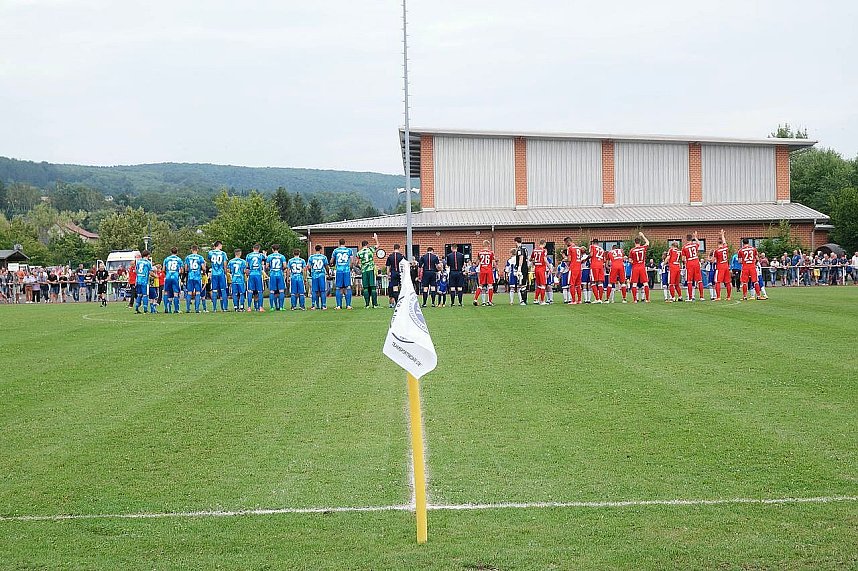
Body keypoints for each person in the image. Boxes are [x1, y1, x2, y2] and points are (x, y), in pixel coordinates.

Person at [357, 233, 380, 309]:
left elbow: (356, 262)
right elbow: (378, 245)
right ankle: (375, 304)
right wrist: (376, 238)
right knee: (373, 287)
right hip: (371, 269)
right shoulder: (370, 249)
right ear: (367, 244)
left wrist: (361, 266)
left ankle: (367, 305)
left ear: (362, 245)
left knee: (366, 288)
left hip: (364, 270)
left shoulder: (359, 253)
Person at [330, 238, 354, 310]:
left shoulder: (336, 250)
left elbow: (331, 261)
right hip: (346, 271)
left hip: (339, 271)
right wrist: (350, 268)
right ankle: (348, 305)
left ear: (339, 243)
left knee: (338, 287)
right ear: (345, 243)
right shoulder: (349, 250)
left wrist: (331, 264)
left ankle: (338, 306)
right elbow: (352, 261)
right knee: (348, 287)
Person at [207, 241, 229, 312]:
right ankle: (224, 308)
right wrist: (225, 272)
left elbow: (210, 260)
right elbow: (225, 264)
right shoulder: (223, 253)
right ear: (219, 245)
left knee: (214, 291)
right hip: (221, 273)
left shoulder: (210, 253)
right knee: (223, 290)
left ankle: (214, 308)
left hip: (214, 273)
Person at [628, 232, 650, 303]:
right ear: (640, 242)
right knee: (645, 283)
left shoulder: (632, 250)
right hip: (642, 266)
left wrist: (633, 262)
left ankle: (635, 300)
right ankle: (647, 299)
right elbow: (647, 242)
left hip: (635, 267)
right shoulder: (643, 248)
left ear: (634, 242)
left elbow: (630, 260)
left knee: (634, 284)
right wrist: (643, 235)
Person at [681, 232, 704, 302]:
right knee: (699, 280)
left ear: (686, 239)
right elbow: (698, 243)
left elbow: (683, 259)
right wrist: (696, 237)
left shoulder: (684, 247)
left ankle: (690, 298)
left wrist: (685, 263)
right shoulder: (694, 245)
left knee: (689, 281)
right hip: (696, 262)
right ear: (691, 239)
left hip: (690, 264)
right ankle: (701, 297)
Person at [184, 245, 206, 313]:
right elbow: (203, 268)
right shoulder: (200, 257)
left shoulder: (188, 257)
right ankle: (197, 309)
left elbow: (186, 268)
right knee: (198, 292)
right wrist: (204, 271)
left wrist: (188, 270)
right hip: (197, 277)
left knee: (189, 292)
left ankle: (188, 309)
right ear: (197, 250)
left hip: (190, 276)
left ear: (191, 250)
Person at [473, 240, 496, 306]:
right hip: (489, 270)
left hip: (482, 270)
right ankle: (489, 301)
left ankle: (475, 299)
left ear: (483, 245)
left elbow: (477, 263)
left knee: (480, 285)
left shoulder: (480, 252)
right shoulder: (491, 253)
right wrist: (496, 269)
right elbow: (494, 262)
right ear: (488, 245)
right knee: (490, 285)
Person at [244, 243, 266, 312]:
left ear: (253, 248)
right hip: (258, 274)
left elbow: (247, 266)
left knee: (250, 291)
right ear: (259, 249)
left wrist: (247, 274)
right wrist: (265, 253)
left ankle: (249, 307)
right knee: (260, 291)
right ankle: (260, 307)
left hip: (251, 274)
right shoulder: (260, 255)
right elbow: (265, 259)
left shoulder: (249, 255)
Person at [265, 244, 288, 311]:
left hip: (272, 274)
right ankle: (281, 307)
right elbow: (285, 266)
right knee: (281, 290)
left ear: (272, 249)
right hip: (280, 274)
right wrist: (281, 268)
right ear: (279, 249)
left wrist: (271, 268)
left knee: (272, 291)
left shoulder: (269, 256)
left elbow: (266, 266)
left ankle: (272, 307)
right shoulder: (282, 256)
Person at [163, 247, 184, 314]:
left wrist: (168, 272)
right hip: (175, 277)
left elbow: (163, 269)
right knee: (175, 293)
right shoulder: (179, 260)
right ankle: (176, 309)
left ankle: (166, 308)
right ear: (177, 252)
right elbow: (181, 270)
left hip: (168, 276)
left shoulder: (166, 259)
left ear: (170, 252)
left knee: (166, 292)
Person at [712, 230, 732, 301]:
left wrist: (709, 258)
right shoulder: (725, 248)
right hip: (726, 265)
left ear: (717, 243)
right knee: (728, 282)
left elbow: (713, 260)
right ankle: (728, 297)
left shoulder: (716, 251)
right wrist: (722, 235)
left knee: (717, 281)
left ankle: (718, 297)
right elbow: (725, 242)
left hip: (720, 266)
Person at [564, 237, 585, 305]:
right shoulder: (578, 248)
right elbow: (580, 257)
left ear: (568, 242)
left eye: (565, 243)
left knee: (571, 284)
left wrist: (564, 259)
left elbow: (569, 259)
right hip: (579, 267)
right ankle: (579, 300)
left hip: (573, 268)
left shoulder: (570, 248)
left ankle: (573, 300)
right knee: (578, 285)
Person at [307, 245, 329, 310]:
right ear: (320, 250)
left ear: (315, 249)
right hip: (321, 275)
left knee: (314, 291)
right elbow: (326, 266)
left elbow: (308, 267)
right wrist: (328, 273)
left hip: (314, 275)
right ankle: (324, 305)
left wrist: (311, 272)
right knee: (322, 291)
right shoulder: (323, 257)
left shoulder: (311, 257)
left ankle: (314, 305)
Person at [384, 244, 406, 308]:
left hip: (393, 273)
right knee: (402, 287)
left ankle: (397, 303)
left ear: (393, 248)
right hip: (400, 273)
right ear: (399, 248)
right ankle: (402, 302)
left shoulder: (390, 256)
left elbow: (388, 267)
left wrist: (388, 274)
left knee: (395, 288)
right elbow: (405, 265)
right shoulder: (402, 256)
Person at [588, 239, 606, 303]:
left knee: (593, 282)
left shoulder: (592, 246)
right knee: (600, 282)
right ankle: (600, 299)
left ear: (593, 242)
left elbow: (591, 254)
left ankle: (597, 298)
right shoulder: (602, 249)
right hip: (600, 265)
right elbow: (604, 260)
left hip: (594, 265)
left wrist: (585, 258)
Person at [514, 237, 530, 305]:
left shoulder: (520, 249)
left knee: (522, 284)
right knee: (523, 284)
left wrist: (519, 267)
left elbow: (521, 257)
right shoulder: (525, 249)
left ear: (516, 242)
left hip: (522, 268)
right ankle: (523, 300)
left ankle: (523, 300)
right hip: (525, 267)